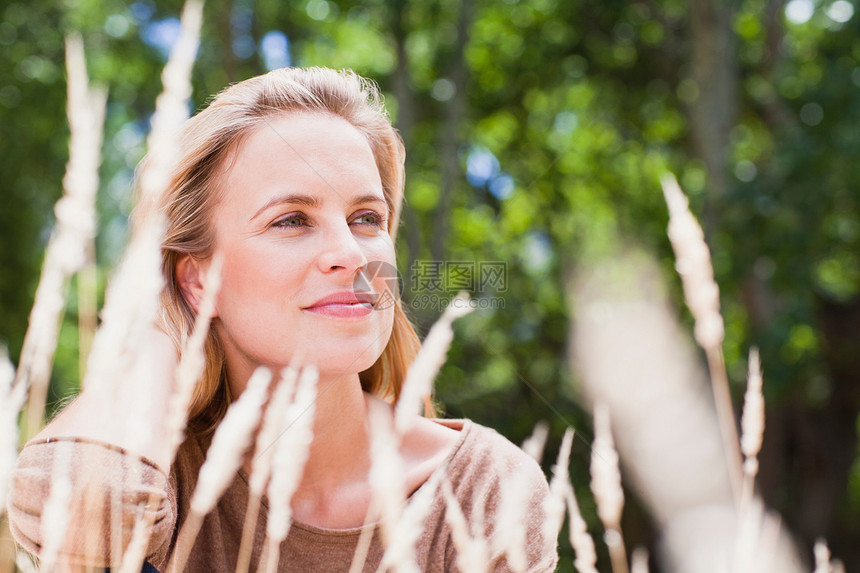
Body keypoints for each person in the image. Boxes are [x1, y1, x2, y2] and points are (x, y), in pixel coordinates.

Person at [8, 67, 558, 572]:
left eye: (367, 218)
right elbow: (78, 523)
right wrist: (160, 329)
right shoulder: (155, 477)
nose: (352, 253)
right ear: (197, 280)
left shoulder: (482, 489)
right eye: (292, 220)